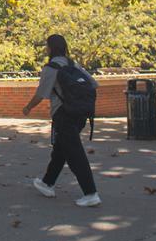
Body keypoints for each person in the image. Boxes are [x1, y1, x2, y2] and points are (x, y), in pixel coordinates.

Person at [21, 34, 101, 207]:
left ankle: (90, 193)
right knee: (61, 150)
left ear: (50, 48)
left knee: (74, 153)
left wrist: (28, 107)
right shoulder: (73, 64)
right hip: (80, 114)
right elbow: (94, 84)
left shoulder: (51, 68)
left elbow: (41, 94)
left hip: (63, 114)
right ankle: (47, 183)